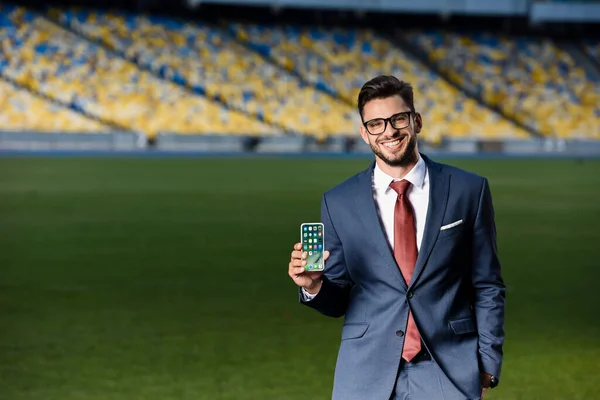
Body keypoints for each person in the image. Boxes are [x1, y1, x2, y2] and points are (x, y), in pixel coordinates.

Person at [287, 75, 505, 400]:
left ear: (415, 121)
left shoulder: (468, 190)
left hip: (449, 369)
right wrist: (314, 285)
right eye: (376, 123)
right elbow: (338, 302)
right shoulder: (339, 201)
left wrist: (487, 362)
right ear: (364, 133)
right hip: (364, 373)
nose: (388, 131)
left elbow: (487, 285)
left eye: (398, 119)